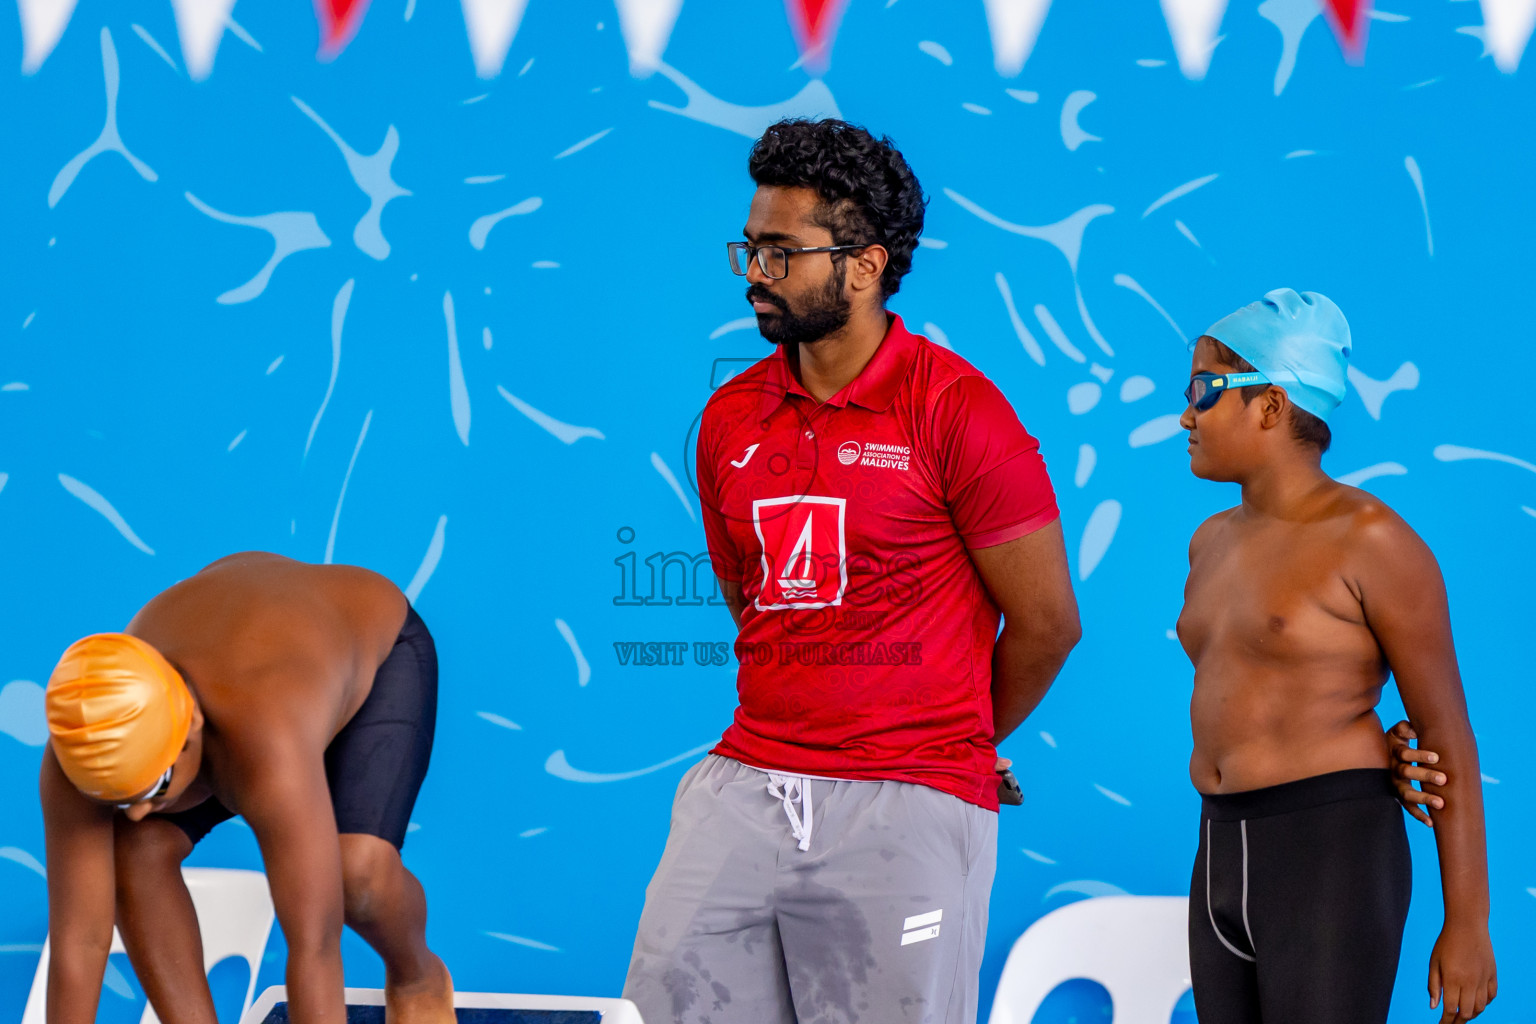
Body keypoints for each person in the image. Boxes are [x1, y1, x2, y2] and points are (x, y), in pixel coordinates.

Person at [621, 117, 1082, 1024]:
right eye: (750, 248)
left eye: (781, 252)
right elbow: (751, 601)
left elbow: (1048, 624)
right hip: (746, 785)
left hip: (908, 804)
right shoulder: (727, 419)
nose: (756, 272)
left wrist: (956, 738)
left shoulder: (961, 412)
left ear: (864, 266)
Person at [1176, 289, 1497, 1023]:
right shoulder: (1209, 542)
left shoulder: (1374, 542)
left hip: (1328, 849)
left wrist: (1468, 922)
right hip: (1219, 842)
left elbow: (1446, 733)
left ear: (1270, 404)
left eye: (1202, 390)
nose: (1185, 417)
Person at [40, 552, 453, 1024]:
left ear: (191, 725)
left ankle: (417, 975)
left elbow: (313, 946)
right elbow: (80, 941)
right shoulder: (80, 748)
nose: (135, 811)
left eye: (156, 785)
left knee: (356, 875)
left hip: (367, 655)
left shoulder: (266, 740)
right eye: (119, 797)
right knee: (137, 846)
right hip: (247, 648)